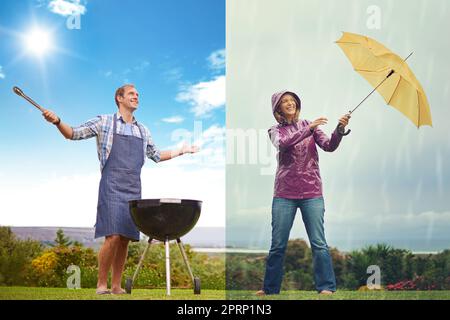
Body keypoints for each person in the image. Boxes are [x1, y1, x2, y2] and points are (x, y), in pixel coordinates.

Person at [42, 84, 199, 295]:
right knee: (113, 236)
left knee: (125, 238)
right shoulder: (104, 121)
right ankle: (101, 284)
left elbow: (156, 155)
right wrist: (58, 122)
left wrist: (183, 150)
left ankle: (116, 286)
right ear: (119, 98)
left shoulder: (142, 130)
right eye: (132, 94)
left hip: (133, 188)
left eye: (138, 95)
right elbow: (73, 133)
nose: (136, 97)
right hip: (111, 185)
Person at [256, 90, 350, 296]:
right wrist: (309, 128)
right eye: (284, 101)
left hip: (312, 192)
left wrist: (339, 129)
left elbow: (329, 146)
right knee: (278, 245)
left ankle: (326, 287)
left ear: (297, 105)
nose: (289, 103)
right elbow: (283, 144)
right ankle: (270, 289)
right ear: (277, 108)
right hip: (284, 193)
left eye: (292, 100)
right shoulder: (275, 130)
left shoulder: (310, 125)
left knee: (318, 242)